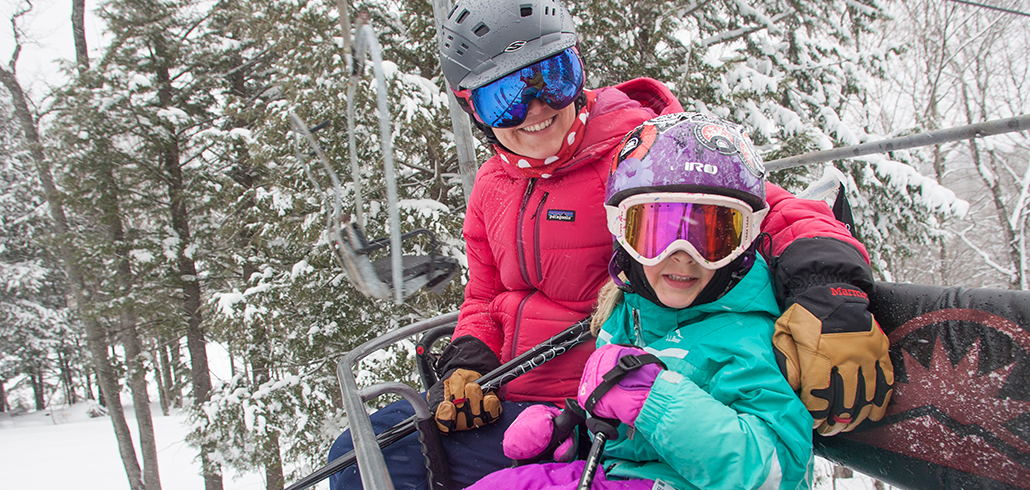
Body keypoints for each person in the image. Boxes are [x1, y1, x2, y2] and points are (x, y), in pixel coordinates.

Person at [328, 0, 891, 488]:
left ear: (580, 68)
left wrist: (829, 290)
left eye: (553, 76)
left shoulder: (640, 153)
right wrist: (470, 361)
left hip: (606, 401)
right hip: (521, 407)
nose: (537, 108)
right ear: (471, 107)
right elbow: (485, 296)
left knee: (378, 456)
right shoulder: (491, 189)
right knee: (367, 448)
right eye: (505, 97)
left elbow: (771, 210)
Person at [478, 113, 814, 490]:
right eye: (656, 233)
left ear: (745, 241)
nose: (683, 255)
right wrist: (572, 436)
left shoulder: (746, 338)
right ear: (621, 232)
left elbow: (778, 473)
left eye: (714, 237)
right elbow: (625, 434)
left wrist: (653, 399)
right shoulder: (628, 312)